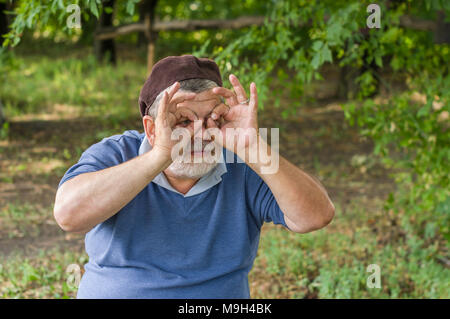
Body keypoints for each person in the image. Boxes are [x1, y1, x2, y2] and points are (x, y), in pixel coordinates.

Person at [54, 55, 335, 298]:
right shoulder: (115, 154)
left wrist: (254, 147)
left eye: (213, 119)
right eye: (184, 121)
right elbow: (69, 216)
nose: (201, 134)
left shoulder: (242, 160)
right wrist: (158, 156)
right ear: (151, 129)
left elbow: (315, 216)